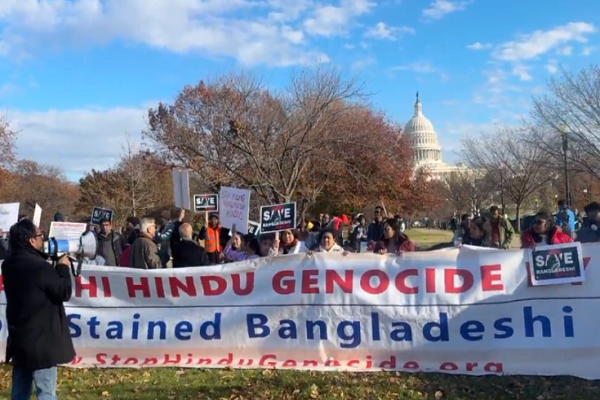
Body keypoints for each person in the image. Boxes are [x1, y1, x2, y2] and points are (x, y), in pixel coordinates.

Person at [1, 219, 75, 399]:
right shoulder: (39, 267)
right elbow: (63, 292)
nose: (43, 240)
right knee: (46, 391)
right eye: (40, 236)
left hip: (20, 338)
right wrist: (63, 268)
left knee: (20, 390)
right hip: (42, 341)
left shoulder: (9, 264)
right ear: (30, 240)